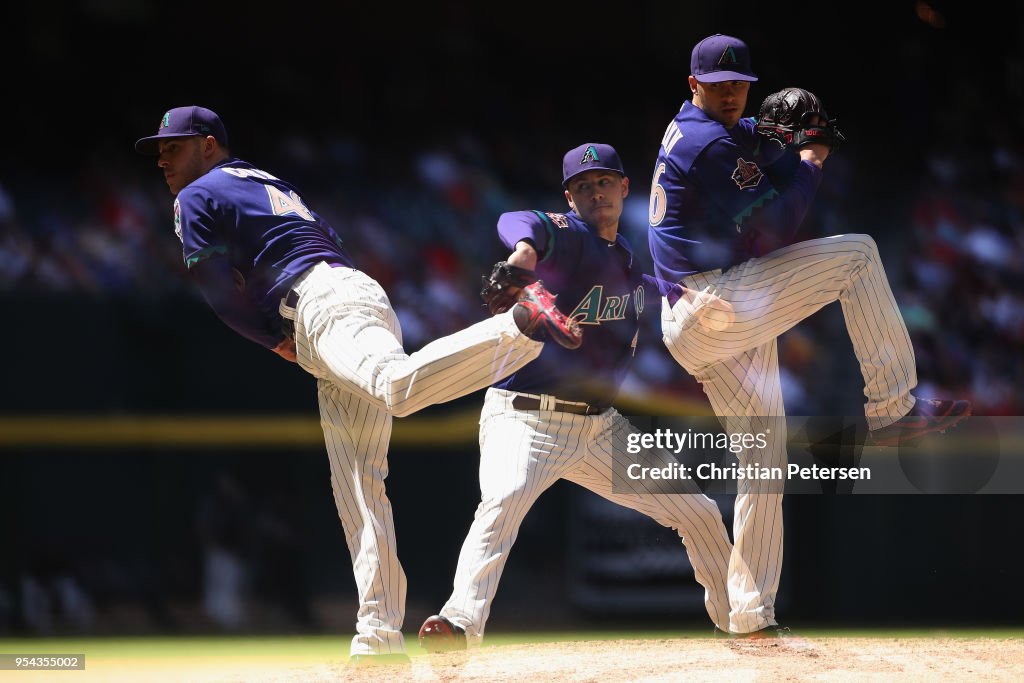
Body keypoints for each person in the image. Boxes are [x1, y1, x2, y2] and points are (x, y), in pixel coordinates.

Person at [135, 106, 583, 665]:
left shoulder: (197, 193)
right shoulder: (262, 180)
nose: (162, 159)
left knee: (396, 389)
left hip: (320, 307)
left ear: (207, 146)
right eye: (158, 150)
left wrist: (277, 343)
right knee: (358, 482)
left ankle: (517, 326)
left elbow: (218, 292)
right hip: (348, 291)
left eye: (172, 147)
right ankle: (377, 636)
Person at [646, 34, 971, 637]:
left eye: (739, 85)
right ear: (693, 86)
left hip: (705, 313)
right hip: (714, 303)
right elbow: (777, 224)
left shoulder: (701, 130)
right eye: (718, 86)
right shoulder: (703, 142)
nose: (730, 94)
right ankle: (892, 408)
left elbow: (753, 150)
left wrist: (784, 140)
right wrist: (810, 159)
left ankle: (749, 613)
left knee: (763, 459)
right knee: (858, 255)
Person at [417, 143, 734, 651]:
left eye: (605, 181)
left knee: (696, 512)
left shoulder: (622, 254)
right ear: (570, 197)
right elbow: (517, 219)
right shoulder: (565, 234)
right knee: (503, 503)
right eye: (583, 186)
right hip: (526, 419)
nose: (596, 192)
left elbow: (633, 281)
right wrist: (523, 253)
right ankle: (458, 623)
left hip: (600, 428)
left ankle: (739, 622)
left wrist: (677, 293)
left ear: (625, 188)